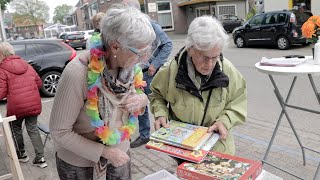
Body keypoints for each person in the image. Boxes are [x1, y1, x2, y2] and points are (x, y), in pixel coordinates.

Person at [49, 5, 155, 180]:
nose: (145, 58)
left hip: (119, 156)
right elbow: (59, 132)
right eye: (140, 52)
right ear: (114, 46)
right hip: (81, 166)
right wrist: (104, 152)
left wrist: (142, 100)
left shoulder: (130, 68)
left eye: (147, 50)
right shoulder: (78, 72)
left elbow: (138, 95)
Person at [150, 16, 247, 164]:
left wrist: (225, 121)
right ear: (190, 49)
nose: (209, 64)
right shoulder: (170, 71)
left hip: (218, 150)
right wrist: (160, 113)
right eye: (204, 57)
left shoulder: (227, 69)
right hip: (184, 150)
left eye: (215, 57)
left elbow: (238, 101)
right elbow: (157, 95)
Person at [122, 0, 173, 148]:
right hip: (136, 74)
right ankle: (145, 135)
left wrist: (154, 64)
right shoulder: (130, 27)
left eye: (125, 9)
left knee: (158, 103)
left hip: (149, 74)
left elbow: (167, 44)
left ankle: (167, 134)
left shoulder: (150, 24)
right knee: (141, 105)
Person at [0, 42, 47, 168]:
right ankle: (40, 158)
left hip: (16, 106)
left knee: (15, 128)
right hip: (33, 103)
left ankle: (22, 155)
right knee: (33, 128)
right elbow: (39, 83)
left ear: (1, 54)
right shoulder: (26, 64)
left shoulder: (3, 69)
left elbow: (1, 92)